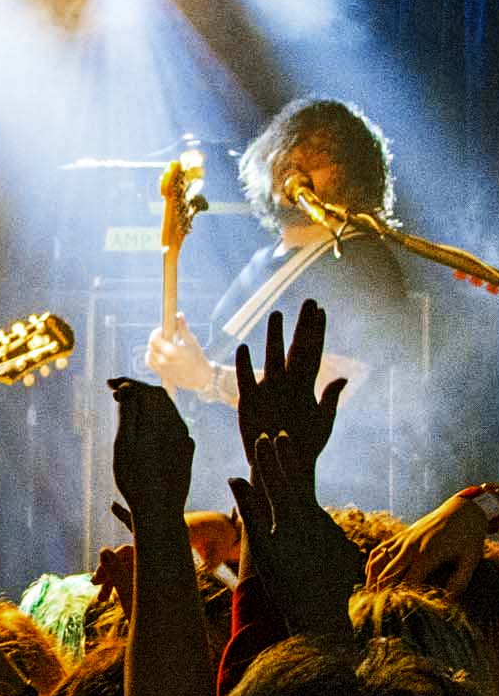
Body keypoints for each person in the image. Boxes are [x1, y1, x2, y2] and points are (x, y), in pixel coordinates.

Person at [144, 98, 453, 507]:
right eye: (287, 152)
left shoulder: (360, 259)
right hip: (234, 490)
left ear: (355, 173)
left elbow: (330, 387)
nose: (295, 166)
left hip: (309, 499)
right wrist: (177, 362)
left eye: (320, 155)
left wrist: (208, 378)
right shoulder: (261, 261)